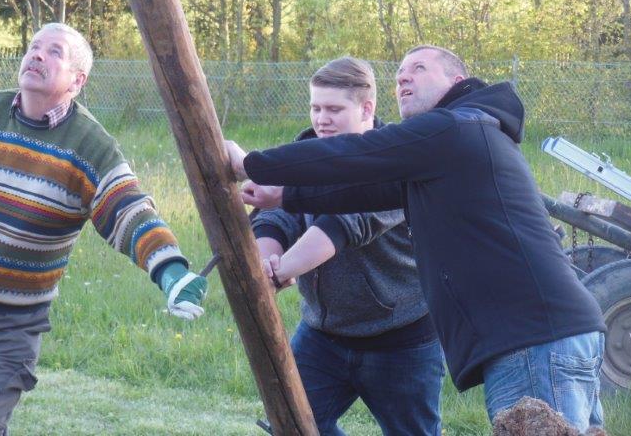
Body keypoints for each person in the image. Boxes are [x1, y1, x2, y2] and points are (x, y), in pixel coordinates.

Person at [227, 45, 606, 432]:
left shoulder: (453, 128)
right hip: (544, 337)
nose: (403, 77)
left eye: (419, 68)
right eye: (400, 73)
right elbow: (365, 191)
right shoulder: (451, 148)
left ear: (457, 81)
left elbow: (356, 157)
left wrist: (251, 164)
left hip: (534, 341)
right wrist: (284, 194)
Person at [0, 23, 208, 435]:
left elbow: (127, 211)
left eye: (54, 52)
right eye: (34, 46)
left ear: (77, 81)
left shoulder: (89, 147)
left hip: (4, 330)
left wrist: (170, 270)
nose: (36, 54)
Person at [251, 57, 444, 436]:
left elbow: (342, 225)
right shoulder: (306, 150)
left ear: (367, 108)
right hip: (323, 335)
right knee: (290, 426)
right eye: (316, 108)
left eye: (334, 110)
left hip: (401, 338)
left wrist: (282, 272)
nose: (321, 119)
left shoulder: (397, 160)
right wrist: (266, 259)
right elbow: (277, 213)